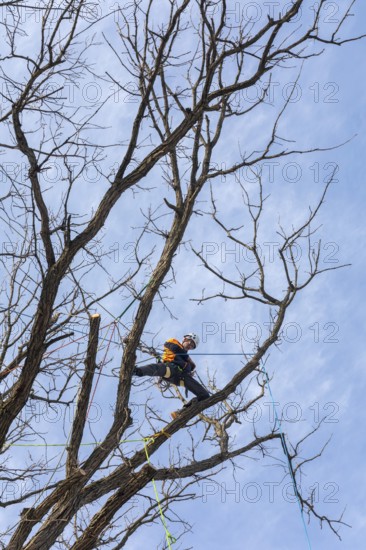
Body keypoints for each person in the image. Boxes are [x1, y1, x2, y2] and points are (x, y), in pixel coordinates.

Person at [133, 333, 210, 411]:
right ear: (185, 339)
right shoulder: (174, 342)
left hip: (181, 378)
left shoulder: (186, 360)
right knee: (155, 368)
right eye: (190, 342)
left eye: (192, 346)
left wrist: (190, 370)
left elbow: (186, 365)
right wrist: (188, 359)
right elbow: (175, 348)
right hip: (170, 368)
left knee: (205, 396)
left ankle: (184, 411)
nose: (190, 346)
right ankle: (136, 371)